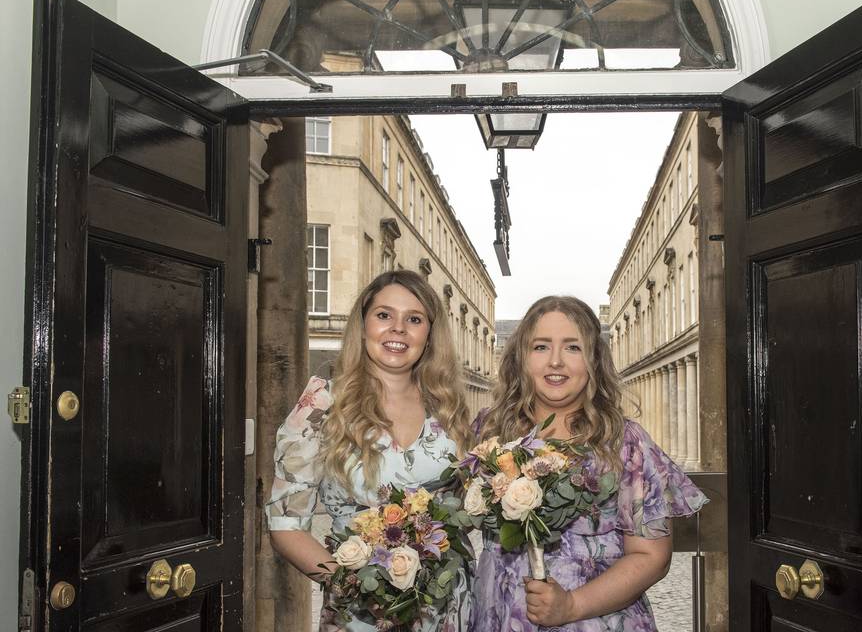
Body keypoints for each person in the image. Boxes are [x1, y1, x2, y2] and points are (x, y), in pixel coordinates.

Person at [471, 295, 707, 631]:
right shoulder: (490, 432)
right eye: (540, 347)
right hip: (500, 615)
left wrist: (571, 605)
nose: (555, 361)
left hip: (596, 621)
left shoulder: (626, 443)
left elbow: (651, 557)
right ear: (520, 358)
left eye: (572, 347)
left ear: (593, 360)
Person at [266, 270, 473, 631]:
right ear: (363, 326)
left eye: (414, 319)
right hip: (363, 614)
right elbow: (286, 526)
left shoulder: (449, 409)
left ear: (429, 335)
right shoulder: (321, 406)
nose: (398, 328)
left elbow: (467, 510)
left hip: (450, 607)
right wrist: (355, 587)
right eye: (383, 315)